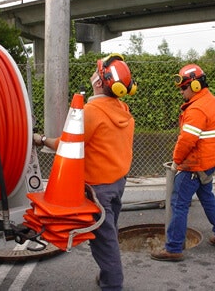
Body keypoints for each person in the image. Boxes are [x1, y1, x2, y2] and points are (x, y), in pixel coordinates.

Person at [33, 53, 137, 290]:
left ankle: (112, 284)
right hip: (118, 182)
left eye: (96, 70)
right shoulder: (122, 108)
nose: (93, 73)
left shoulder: (91, 112)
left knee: (104, 240)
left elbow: (64, 145)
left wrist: (41, 139)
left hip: (98, 188)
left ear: (99, 83)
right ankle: (107, 276)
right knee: (108, 231)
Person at [150, 64, 215, 262]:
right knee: (207, 196)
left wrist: (176, 162)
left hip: (195, 165)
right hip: (209, 161)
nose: (181, 91)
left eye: (183, 88)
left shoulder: (196, 109)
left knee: (178, 203)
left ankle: (174, 248)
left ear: (195, 86)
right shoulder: (209, 99)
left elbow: (186, 140)